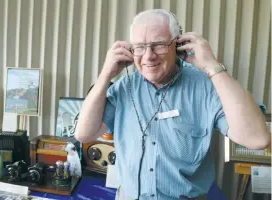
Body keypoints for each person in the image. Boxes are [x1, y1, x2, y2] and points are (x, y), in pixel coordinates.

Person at [75, 9, 271, 200]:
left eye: (158, 45)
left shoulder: (207, 87)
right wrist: (106, 74)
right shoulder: (124, 87)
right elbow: (83, 134)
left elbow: (257, 139)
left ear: (178, 45)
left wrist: (212, 66)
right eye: (140, 47)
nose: (148, 56)